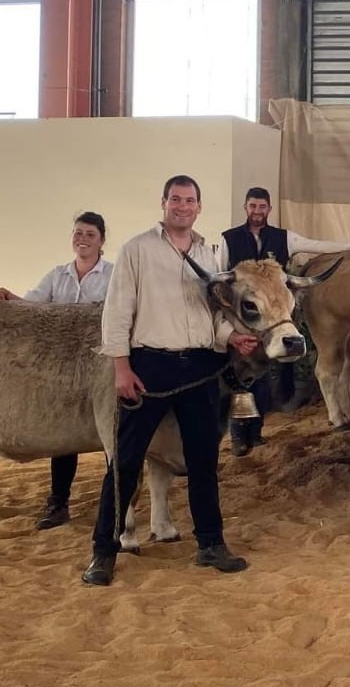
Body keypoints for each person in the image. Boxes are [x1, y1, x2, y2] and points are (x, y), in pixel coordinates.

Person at [82, 175, 257, 586]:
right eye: (175, 199)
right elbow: (117, 312)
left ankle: (210, 544)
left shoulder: (209, 255)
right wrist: (121, 367)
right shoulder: (137, 250)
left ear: (199, 206)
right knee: (124, 463)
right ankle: (103, 553)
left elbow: (213, 315)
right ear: (163, 203)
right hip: (149, 367)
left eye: (190, 200)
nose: (182, 206)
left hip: (199, 367)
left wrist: (233, 336)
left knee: (203, 462)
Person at [220, 185, 350, 455]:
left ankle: (256, 433)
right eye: (253, 206)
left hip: (275, 317)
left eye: (262, 207)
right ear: (245, 208)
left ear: (269, 209)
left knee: (263, 377)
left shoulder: (283, 237)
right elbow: (220, 273)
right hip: (245, 318)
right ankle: (238, 436)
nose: (257, 211)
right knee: (239, 377)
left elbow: (314, 245)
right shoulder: (229, 238)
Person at [0, 211, 113, 530]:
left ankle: (114, 505)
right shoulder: (58, 275)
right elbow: (33, 306)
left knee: (112, 437)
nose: (82, 239)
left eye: (89, 234)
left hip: (103, 366)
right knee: (65, 437)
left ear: (101, 241)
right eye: (78, 233)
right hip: (63, 368)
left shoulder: (113, 276)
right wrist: (8, 298)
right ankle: (58, 503)